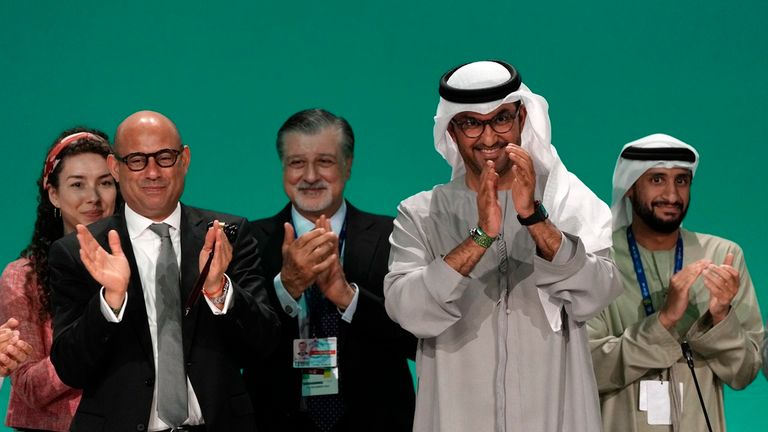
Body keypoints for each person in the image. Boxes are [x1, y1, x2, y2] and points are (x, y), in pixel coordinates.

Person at [383, 60, 622, 432]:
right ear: (451, 130)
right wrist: (480, 235)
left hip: (553, 415)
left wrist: (534, 219)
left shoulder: (566, 203)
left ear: (522, 118)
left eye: (500, 119)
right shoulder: (421, 214)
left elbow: (599, 291)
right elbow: (407, 309)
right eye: (471, 123)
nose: (489, 138)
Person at [48, 111, 279, 432]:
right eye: (137, 160)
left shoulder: (226, 234)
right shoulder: (78, 251)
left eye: (165, 157)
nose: (153, 172)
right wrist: (109, 302)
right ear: (115, 167)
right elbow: (70, 369)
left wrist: (220, 291)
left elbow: (263, 346)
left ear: (184, 159)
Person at [244, 109, 416, 432]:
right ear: (283, 168)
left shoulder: (396, 235)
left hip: (378, 422)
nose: (310, 176)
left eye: (324, 161)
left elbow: (415, 340)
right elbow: (238, 346)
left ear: (348, 166)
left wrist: (348, 298)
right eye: (297, 163)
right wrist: (287, 287)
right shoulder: (248, 241)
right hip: (274, 421)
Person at [587, 133, 764, 432]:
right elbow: (586, 368)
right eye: (657, 179)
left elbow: (744, 373)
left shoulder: (723, 256)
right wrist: (664, 320)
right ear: (630, 187)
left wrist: (721, 317)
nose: (672, 195)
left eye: (681, 180)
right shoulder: (598, 260)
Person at [0, 128, 115, 431]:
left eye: (105, 183)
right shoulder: (24, 277)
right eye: (77, 184)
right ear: (53, 193)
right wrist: (94, 335)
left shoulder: (145, 263)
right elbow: (30, 386)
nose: (93, 197)